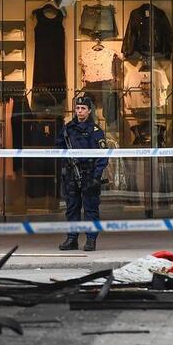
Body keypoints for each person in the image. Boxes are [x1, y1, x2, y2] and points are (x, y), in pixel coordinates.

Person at [56, 95, 108, 252]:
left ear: (89, 110)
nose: (80, 111)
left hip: (89, 174)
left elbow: (103, 155)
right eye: (77, 108)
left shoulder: (95, 131)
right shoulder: (68, 129)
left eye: (83, 109)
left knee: (90, 208)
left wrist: (96, 176)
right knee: (72, 208)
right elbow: (58, 148)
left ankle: (91, 240)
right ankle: (72, 238)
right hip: (72, 174)